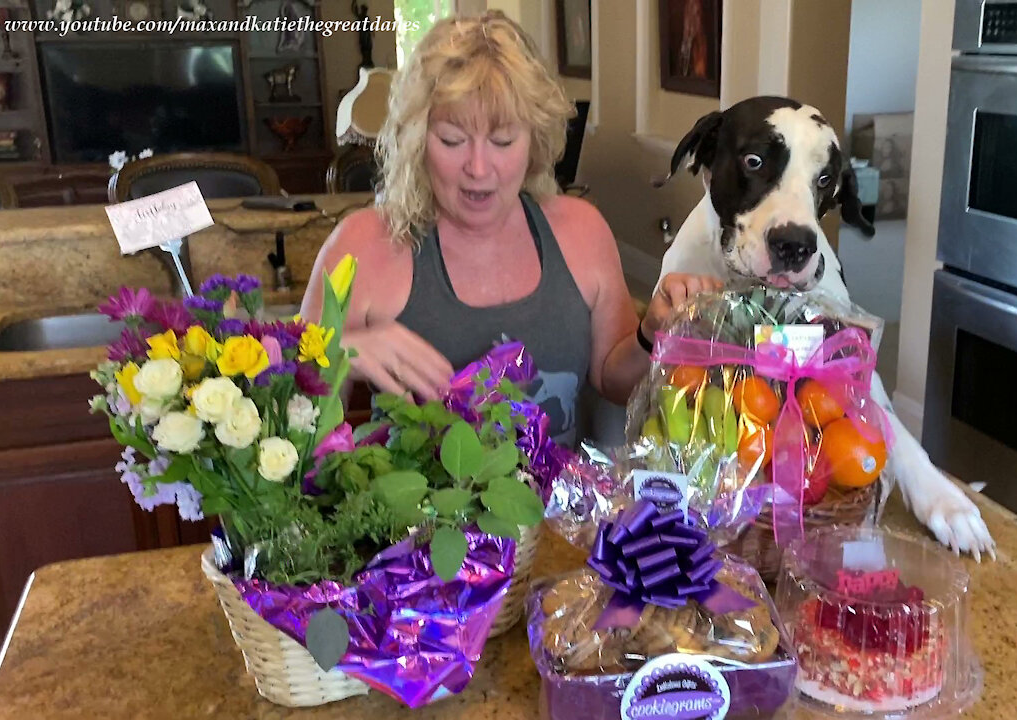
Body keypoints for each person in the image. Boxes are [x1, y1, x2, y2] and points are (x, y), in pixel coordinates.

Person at [301, 10, 719, 447]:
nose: (479, 169)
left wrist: (651, 334)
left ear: (534, 141)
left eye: (502, 142)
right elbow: (288, 435)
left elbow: (613, 382)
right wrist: (338, 352)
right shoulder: (361, 247)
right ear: (416, 140)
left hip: (564, 515)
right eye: (451, 140)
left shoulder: (581, 230)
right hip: (420, 515)